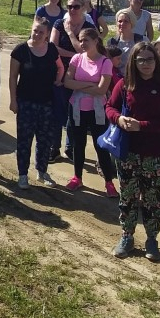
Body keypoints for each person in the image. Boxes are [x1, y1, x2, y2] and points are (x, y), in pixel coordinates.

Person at [106, 42, 160, 261]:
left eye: (150, 59)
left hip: (156, 153)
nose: (145, 64)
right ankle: (127, 236)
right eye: (141, 60)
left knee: (153, 198)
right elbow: (109, 107)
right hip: (128, 151)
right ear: (134, 62)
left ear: (156, 61)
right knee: (127, 196)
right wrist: (118, 119)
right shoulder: (125, 84)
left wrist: (142, 126)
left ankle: (151, 239)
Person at [9, 17, 63, 189]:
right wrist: (13, 100)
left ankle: (42, 171)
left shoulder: (51, 49)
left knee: (45, 140)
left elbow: (60, 67)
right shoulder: (20, 50)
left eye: (41, 32)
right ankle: (23, 175)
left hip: (47, 103)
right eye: (35, 30)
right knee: (24, 140)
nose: (37, 34)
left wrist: (58, 80)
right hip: (25, 103)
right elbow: (12, 77)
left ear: (47, 34)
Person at [63, 27, 117, 195]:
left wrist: (79, 85)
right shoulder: (77, 59)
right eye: (80, 40)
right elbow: (67, 82)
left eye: (86, 40)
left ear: (95, 41)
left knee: (100, 145)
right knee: (78, 144)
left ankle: (109, 182)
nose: (82, 43)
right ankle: (77, 178)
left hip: (97, 110)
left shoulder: (105, 62)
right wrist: (90, 85)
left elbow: (102, 90)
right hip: (77, 108)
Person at [49, 0, 94, 162]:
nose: (72, 10)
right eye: (69, 6)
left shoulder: (89, 27)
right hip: (58, 73)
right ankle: (54, 147)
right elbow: (53, 48)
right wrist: (75, 54)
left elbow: (86, 51)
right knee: (56, 110)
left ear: (83, 8)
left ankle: (70, 147)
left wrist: (70, 33)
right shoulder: (58, 23)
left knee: (74, 112)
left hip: (79, 75)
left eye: (76, 6)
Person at [107, 9, 143, 76]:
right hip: (117, 78)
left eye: (126, 21)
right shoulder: (111, 42)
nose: (122, 24)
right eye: (120, 21)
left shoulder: (142, 40)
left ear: (132, 23)